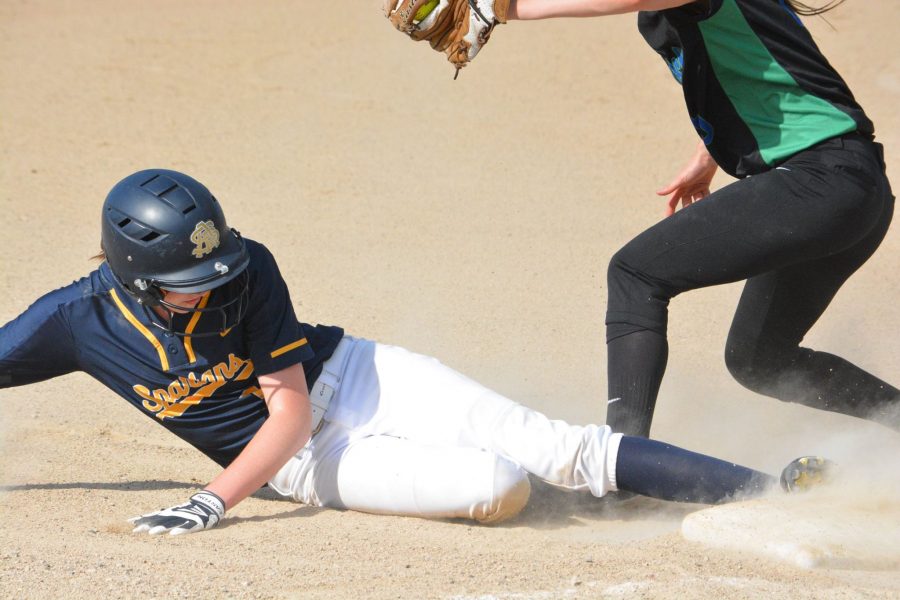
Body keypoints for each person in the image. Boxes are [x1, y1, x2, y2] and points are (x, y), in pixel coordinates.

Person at [0, 169, 827, 536]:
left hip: (350, 376)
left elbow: (287, 401)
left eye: (217, 267)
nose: (211, 285)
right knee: (498, 485)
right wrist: (235, 490)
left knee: (556, 443)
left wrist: (211, 501)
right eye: (188, 278)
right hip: (290, 465)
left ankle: (773, 493)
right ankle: (605, 498)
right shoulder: (71, 322)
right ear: (133, 273)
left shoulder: (248, 268)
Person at [504, 0, 898, 437]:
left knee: (635, 274)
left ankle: (623, 460)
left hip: (822, 181)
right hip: (854, 189)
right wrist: (707, 154)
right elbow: (764, 68)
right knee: (758, 359)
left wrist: (505, 8)